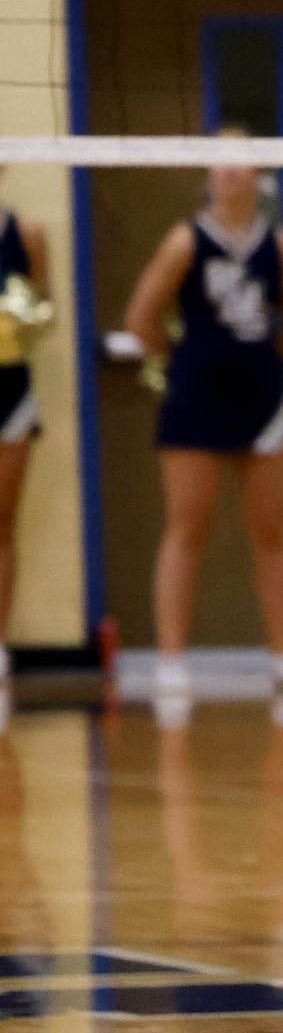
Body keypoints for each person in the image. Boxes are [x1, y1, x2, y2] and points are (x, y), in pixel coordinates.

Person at [121, 155, 283, 717]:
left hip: (264, 404)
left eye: (243, 164)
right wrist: (187, 359)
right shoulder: (184, 242)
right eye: (221, 165)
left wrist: (255, 358)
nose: (232, 174)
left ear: (259, 177)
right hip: (195, 404)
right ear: (208, 175)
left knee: (273, 531)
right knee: (186, 527)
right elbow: (139, 319)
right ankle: (171, 665)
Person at [0, 188, 53, 706]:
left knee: (2, 520)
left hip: (10, 390)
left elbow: (47, 311)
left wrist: (23, 313)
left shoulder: (27, 233)